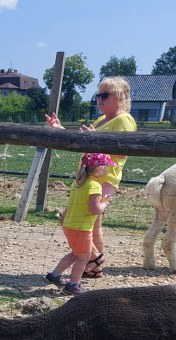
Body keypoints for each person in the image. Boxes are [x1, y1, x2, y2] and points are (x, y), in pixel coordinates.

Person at [45, 77, 136, 277]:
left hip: (103, 178)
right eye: (98, 95)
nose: (99, 99)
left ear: (119, 97)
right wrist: (61, 130)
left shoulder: (124, 120)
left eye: (105, 95)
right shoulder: (101, 120)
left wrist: (96, 139)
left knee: (87, 222)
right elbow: (87, 144)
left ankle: (93, 262)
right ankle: (93, 262)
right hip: (88, 178)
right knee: (83, 221)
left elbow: (122, 151)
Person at [44, 153, 115, 295]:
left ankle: (54, 275)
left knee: (76, 254)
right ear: (98, 169)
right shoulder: (94, 185)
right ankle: (73, 284)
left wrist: (101, 200)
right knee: (84, 257)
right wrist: (106, 202)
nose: (107, 168)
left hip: (70, 225)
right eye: (105, 166)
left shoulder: (77, 184)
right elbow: (95, 210)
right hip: (82, 228)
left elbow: (81, 204)